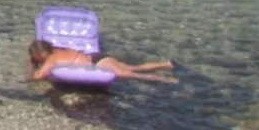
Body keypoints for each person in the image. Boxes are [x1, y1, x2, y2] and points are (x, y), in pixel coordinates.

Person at [27, 41, 178, 84]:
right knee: (133, 68)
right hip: (97, 56)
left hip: (97, 63)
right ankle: (166, 65)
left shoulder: (52, 58)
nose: (35, 58)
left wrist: (28, 68)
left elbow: (38, 77)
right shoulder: (58, 49)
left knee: (129, 74)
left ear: (42, 53)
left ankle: (165, 79)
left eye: (35, 55)